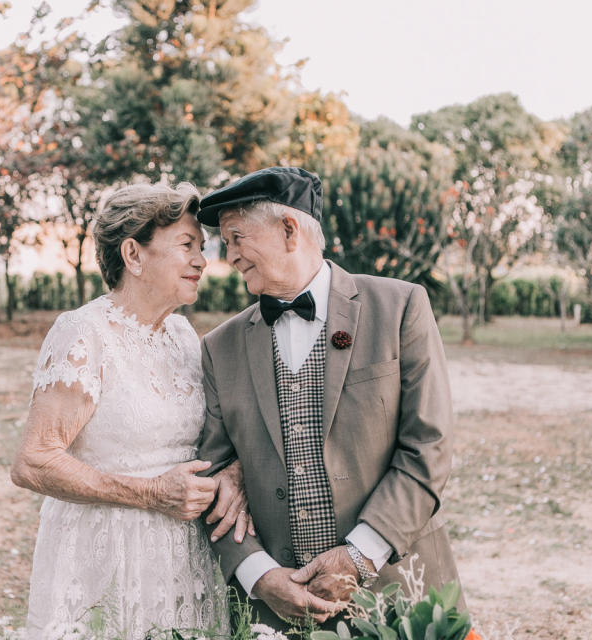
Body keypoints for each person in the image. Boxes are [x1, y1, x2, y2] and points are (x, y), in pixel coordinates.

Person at [196, 167, 464, 630]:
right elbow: (214, 477)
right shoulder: (219, 347)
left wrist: (360, 555)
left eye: (237, 237)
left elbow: (429, 446)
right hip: (274, 615)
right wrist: (260, 577)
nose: (231, 256)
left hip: (401, 595)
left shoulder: (401, 308)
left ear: (288, 229)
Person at [11, 182, 250, 639]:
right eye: (186, 245)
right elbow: (32, 462)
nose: (202, 260)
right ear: (133, 255)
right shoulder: (84, 333)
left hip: (182, 557)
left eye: (203, 247)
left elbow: (212, 436)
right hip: (105, 553)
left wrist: (232, 472)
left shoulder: (182, 335)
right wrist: (150, 492)